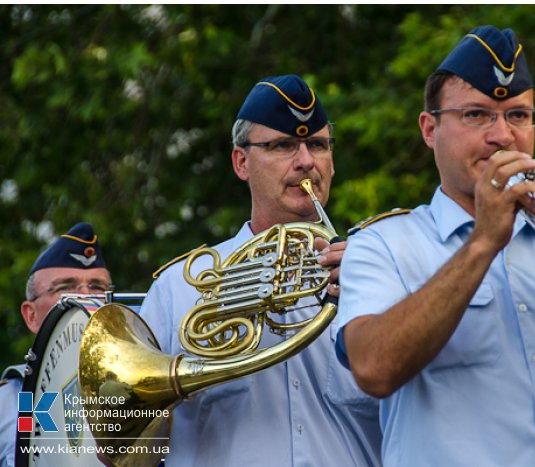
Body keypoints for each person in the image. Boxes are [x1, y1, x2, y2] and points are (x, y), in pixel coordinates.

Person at [335, 26, 535, 466]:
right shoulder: (383, 244)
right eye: (477, 115)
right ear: (429, 128)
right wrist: (481, 244)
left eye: (517, 115)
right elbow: (373, 368)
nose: (502, 136)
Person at [139, 74, 381, 466]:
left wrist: (373, 296)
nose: (306, 161)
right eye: (283, 145)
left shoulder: (378, 277)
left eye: (317, 144)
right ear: (241, 162)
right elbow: (120, 445)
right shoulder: (177, 289)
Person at [0, 222, 112, 467]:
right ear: (31, 315)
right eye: (65, 287)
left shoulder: (141, 390)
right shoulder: (6, 402)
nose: (86, 296)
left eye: (97, 286)